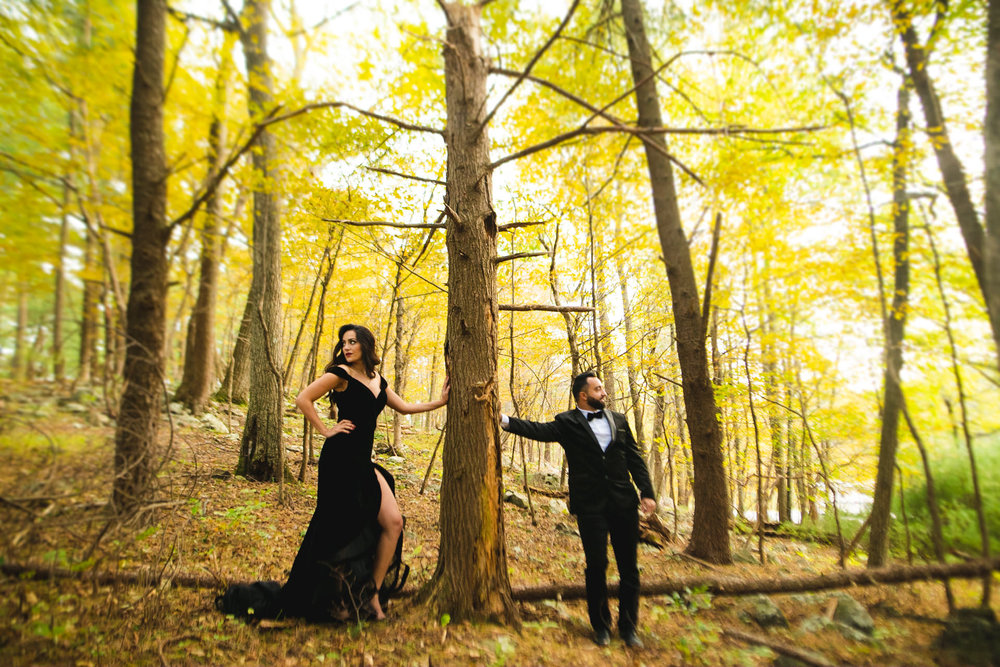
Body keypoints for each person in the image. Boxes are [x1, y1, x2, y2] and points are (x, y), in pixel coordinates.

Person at [282, 323, 449, 621]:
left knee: (393, 521)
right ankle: (332, 599)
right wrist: (326, 430)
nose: (346, 347)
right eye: (343, 342)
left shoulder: (378, 380)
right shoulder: (339, 375)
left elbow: (406, 408)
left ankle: (370, 595)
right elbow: (302, 399)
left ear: (365, 346)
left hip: (362, 462)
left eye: (352, 342)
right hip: (339, 460)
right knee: (339, 529)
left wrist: (441, 401)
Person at [501, 371, 655, 648]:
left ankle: (629, 628)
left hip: (623, 504)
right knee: (596, 566)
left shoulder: (619, 420)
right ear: (583, 395)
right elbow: (537, 430)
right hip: (590, 506)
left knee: (629, 569)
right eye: (598, 389)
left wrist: (647, 492)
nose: (604, 393)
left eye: (603, 389)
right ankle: (601, 627)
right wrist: (504, 420)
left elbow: (635, 458)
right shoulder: (566, 422)